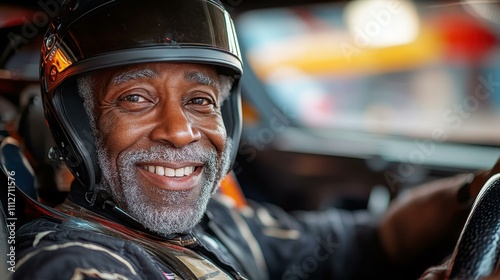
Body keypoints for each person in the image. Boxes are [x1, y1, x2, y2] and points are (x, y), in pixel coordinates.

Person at [8, 0, 500, 279]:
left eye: (200, 100)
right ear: (79, 127)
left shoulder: (218, 224)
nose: (179, 131)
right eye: (136, 98)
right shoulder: (74, 265)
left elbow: (375, 240)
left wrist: (477, 192)